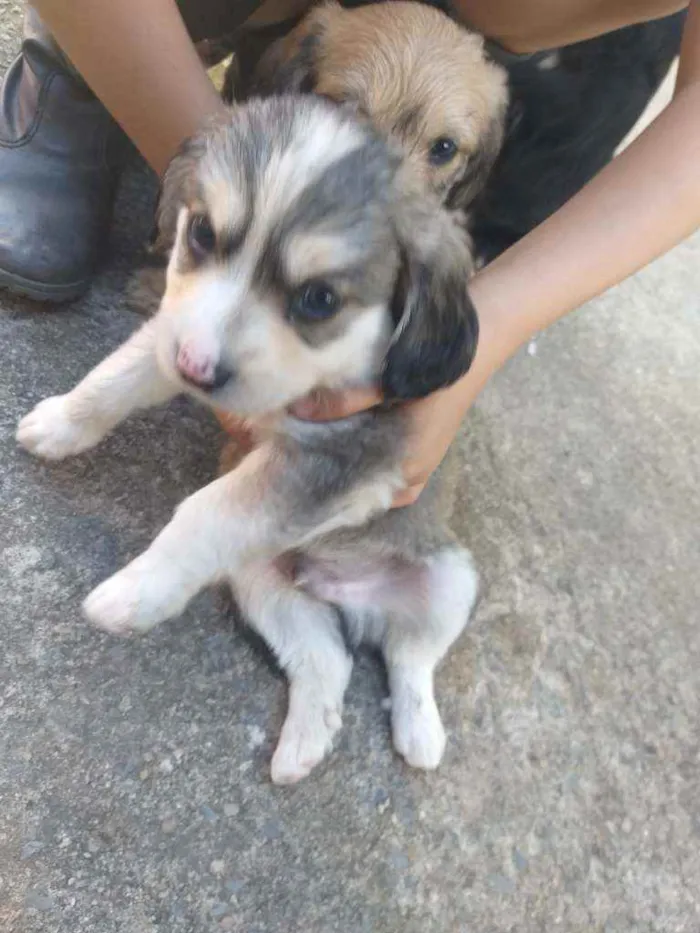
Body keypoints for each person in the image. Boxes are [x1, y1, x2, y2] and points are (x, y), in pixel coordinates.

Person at [1, 0, 698, 507]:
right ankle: (76, 71)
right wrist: (220, 192)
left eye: (443, 152)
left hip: (590, 52)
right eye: (344, 115)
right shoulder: (316, 45)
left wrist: (492, 322)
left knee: (525, 199)